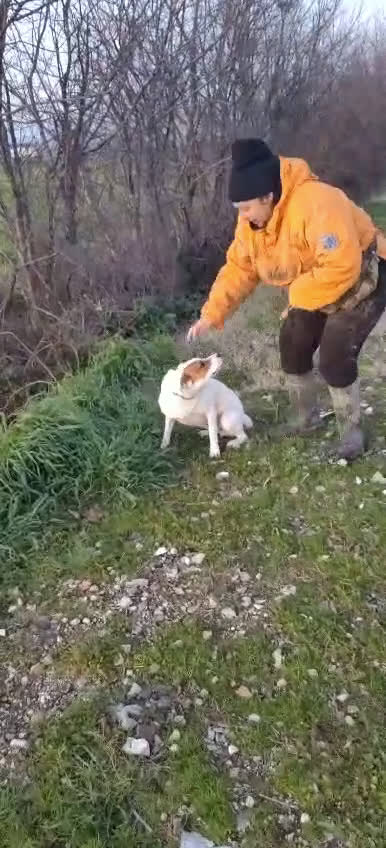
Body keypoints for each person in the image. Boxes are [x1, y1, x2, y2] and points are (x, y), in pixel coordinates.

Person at [187, 138, 386, 460]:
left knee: (335, 357)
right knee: (292, 342)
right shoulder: (252, 222)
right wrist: (212, 314)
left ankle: (351, 433)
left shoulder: (318, 202)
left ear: (269, 196)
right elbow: (240, 267)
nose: (243, 215)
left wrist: (297, 296)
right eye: (239, 208)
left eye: (248, 207)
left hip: (364, 276)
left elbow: (342, 266)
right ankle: (305, 418)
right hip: (316, 282)